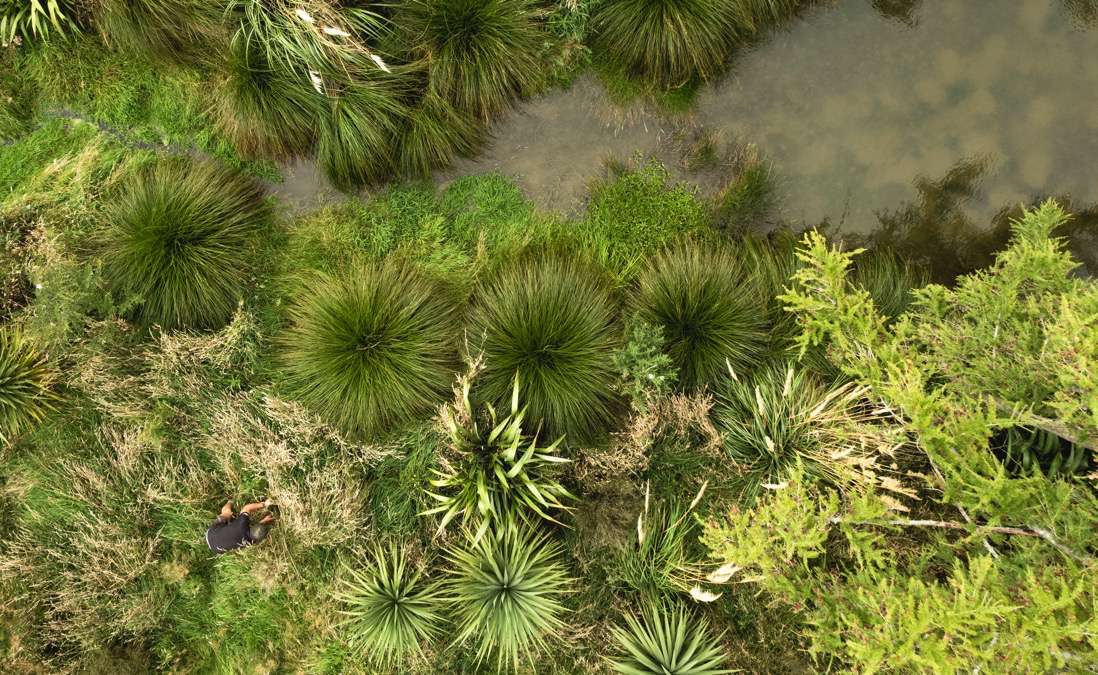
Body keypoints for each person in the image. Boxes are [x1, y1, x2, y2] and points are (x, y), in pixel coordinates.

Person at [205, 498, 277, 553]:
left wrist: (264, 504)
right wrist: (265, 520)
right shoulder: (246, 535)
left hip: (211, 534)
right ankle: (230, 502)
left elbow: (247, 508)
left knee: (226, 513)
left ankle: (230, 501)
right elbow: (247, 508)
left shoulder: (248, 539)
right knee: (229, 514)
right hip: (216, 548)